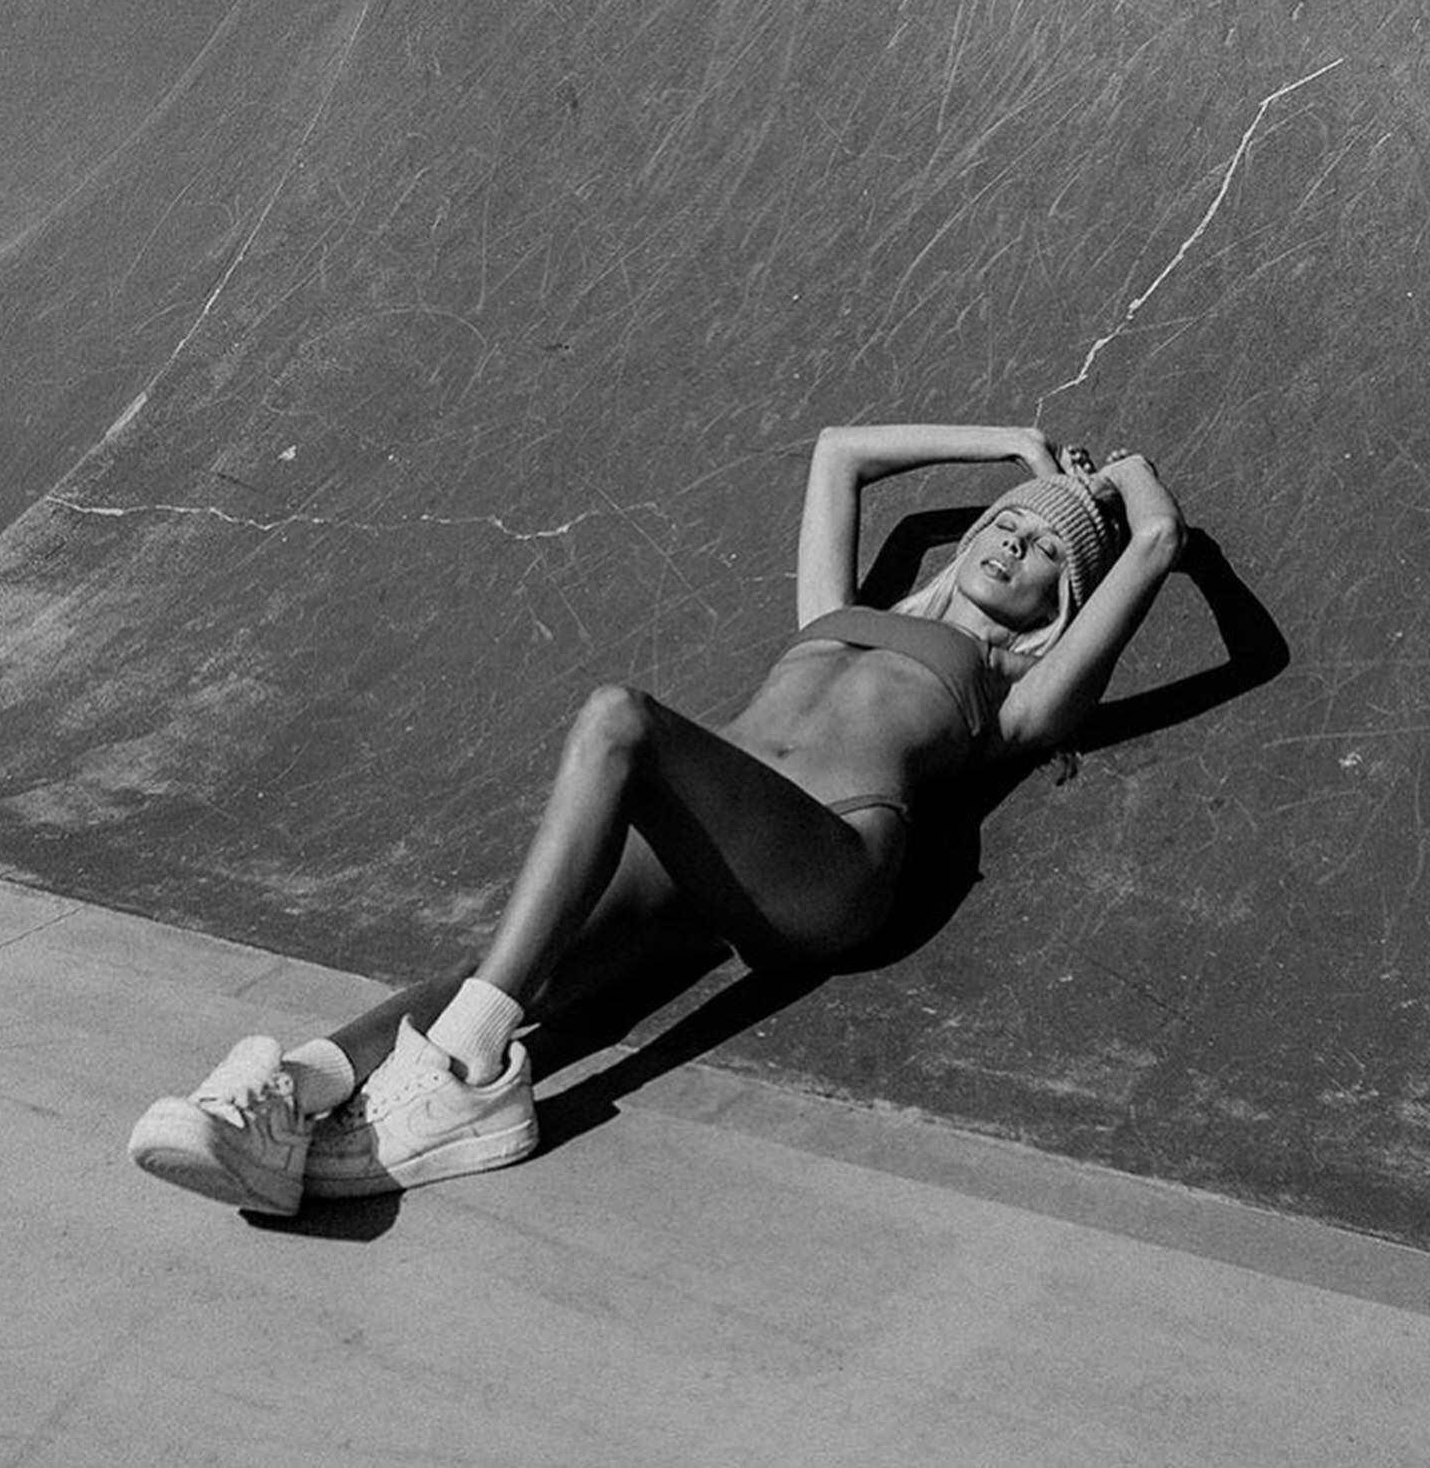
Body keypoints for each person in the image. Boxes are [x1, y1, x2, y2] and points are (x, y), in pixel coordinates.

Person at [128, 424, 1186, 1215]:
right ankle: (285, 1102)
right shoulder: (834, 611)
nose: (1012, 545)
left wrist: (1113, 479)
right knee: (511, 965)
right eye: (1007, 523)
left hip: (827, 865)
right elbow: (841, 453)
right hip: (712, 842)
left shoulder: (1016, 693)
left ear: (1060, 603)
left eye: (1045, 552)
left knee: (619, 719)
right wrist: (1010, 446)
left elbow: (1157, 538)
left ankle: (464, 1078)